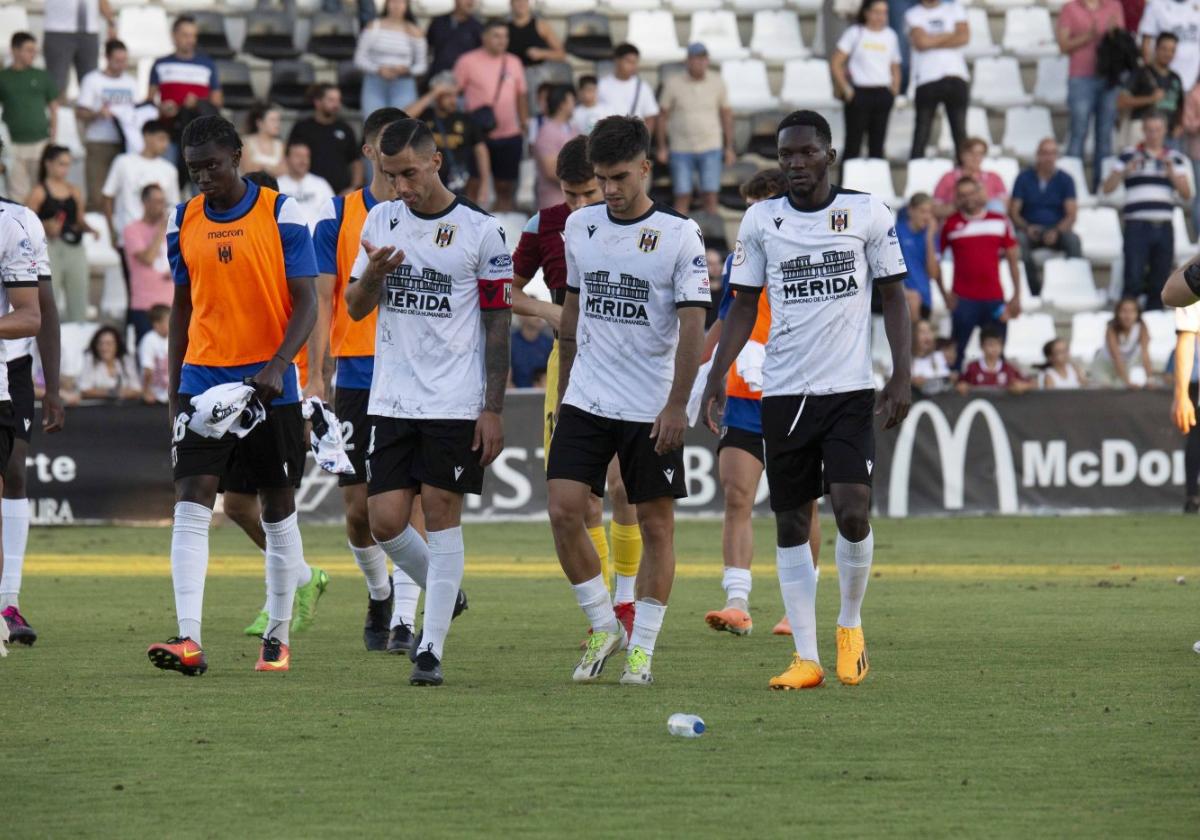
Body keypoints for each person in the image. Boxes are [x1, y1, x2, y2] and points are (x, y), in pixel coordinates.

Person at [701, 110, 912, 691]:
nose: (794, 163)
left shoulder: (867, 212)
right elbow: (741, 304)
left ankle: (850, 626)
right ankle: (806, 657)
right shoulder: (761, 219)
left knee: (851, 510)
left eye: (805, 153)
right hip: (784, 390)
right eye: (785, 155)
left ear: (828, 155)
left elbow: (893, 296)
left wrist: (900, 375)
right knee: (791, 519)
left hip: (847, 389)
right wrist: (716, 374)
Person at [146, 115, 318, 676]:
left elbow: (307, 302)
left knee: (276, 506)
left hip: (270, 385)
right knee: (192, 501)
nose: (203, 178)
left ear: (237, 156)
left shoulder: (280, 211)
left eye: (212, 166)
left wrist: (278, 364)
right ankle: (188, 638)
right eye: (193, 169)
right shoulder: (182, 219)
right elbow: (182, 308)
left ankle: (277, 636)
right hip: (202, 379)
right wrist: (175, 387)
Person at [345, 118, 511, 686]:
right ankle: (447, 589)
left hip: (455, 403)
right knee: (384, 520)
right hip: (391, 398)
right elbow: (356, 308)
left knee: (442, 520)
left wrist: (492, 407)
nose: (400, 188)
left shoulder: (482, 231)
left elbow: (497, 326)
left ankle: (430, 650)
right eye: (390, 176)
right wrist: (372, 274)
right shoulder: (380, 219)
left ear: (436, 162)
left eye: (409, 174)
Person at [548, 115, 708, 688]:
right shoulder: (581, 227)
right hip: (588, 395)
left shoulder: (679, 234)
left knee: (656, 527)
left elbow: (693, 325)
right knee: (564, 510)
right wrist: (565, 393)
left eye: (618, 177)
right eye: (600, 179)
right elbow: (573, 313)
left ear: (645, 167)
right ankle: (601, 624)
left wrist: (677, 404)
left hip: (649, 406)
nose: (609, 190)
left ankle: (642, 648)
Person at [510, 135, 642, 641]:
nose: (582, 205)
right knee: (580, 498)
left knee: (623, 485)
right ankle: (607, 606)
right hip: (569, 363)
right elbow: (506, 289)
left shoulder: (636, 223)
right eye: (572, 195)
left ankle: (627, 600)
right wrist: (555, 311)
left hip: (627, 364)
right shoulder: (542, 225)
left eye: (590, 192)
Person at [310, 107, 431, 653]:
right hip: (356, 373)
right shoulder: (338, 216)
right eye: (386, 148)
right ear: (368, 153)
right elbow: (322, 298)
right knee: (359, 510)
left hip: (415, 373)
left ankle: (406, 617)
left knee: (414, 500)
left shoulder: (432, 217)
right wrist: (315, 372)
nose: (397, 163)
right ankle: (380, 591)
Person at [701, 168, 822, 640]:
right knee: (736, 494)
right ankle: (737, 602)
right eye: (748, 204)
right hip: (746, 392)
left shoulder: (810, 253)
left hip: (796, 387)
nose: (753, 212)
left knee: (801, 503)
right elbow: (728, 319)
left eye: (761, 201)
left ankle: (800, 607)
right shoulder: (740, 259)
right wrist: (702, 370)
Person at [0, 160, 62, 648]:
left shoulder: (18, 222)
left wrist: (54, 385)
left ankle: (9, 599)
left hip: (11, 368)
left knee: (14, 469)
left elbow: (42, 309)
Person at [1103, 112, 1190, 310]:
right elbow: (1107, 188)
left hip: (1164, 225)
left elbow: (1187, 194)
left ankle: (1154, 323)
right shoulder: (1129, 154)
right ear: (1143, 131)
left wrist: (1172, 175)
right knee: (1132, 276)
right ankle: (1128, 322)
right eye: (1149, 130)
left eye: (1157, 130)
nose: (1153, 134)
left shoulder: (1174, 158)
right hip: (1136, 224)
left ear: (1164, 131)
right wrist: (1125, 171)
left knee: (1160, 279)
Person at [938, 177, 1023, 369]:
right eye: (962, 195)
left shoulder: (1000, 221)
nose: (968, 198)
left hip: (994, 298)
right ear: (957, 198)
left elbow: (1012, 261)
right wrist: (944, 294)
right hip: (963, 299)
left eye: (971, 193)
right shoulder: (950, 224)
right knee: (956, 355)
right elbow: (935, 261)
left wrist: (1017, 295)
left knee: (996, 356)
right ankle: (955, 395)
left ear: (980, 192)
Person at [454, 20, 529, 212]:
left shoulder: (514, 61)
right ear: (484, 37)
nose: (502, 40)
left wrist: (523, 123)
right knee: (473, 184)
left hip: (509, 133)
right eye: (496, 35)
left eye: (505, 36)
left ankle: (499, 228)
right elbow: (454, 94)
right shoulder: (467, 61)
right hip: (476, 135)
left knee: (505, 187)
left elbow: (521, 94)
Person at [655, 43, 735, 216]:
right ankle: (677, 240)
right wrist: (662, 147)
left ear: (707, 61)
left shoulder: (717, 82)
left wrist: (729, 148)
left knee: (711, 197)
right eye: (695, 58)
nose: (699, 63)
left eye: (703, 59)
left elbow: (726, 115)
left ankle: (711, 239)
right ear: (688, 60)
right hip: (680, 148)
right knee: (682, 196)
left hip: (711, 145)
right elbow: (662, 116)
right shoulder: (673, 83)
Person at [1058, 0, 1126, 188]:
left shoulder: (1114, 6)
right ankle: (1071, 186)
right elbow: (1063, 45)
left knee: (1105, 134)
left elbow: (1121, 42)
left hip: (1109, 77)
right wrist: (1088, 36)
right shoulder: (1069, 9)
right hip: (1081, 77)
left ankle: (1101, 186)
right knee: (1078, 131)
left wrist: (1113, 34)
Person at [26, 146, 94, 323]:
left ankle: (78, 333)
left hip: (74, 246)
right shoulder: (39, 192)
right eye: (61, 164)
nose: (65, 169)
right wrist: (45, 226)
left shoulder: (74, 190)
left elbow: (79, 219)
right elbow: (25, 223)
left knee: (79, 293)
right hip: (50, 248)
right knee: (51, 295)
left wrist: (91, 229)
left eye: (68, 165)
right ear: (48, 164)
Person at [102, 121, 180, 276]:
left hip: (159, 239)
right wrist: (111, 231)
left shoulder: (169, 170)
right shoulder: (123, 162)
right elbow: (107, 197)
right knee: (134, 287)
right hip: (129, 237)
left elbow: (173, 206)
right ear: (146, 137)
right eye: (161, 138)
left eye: (167, 140)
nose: (165, 144)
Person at [148, 15, 223, 176]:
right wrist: (162, 107)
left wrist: (197, 103)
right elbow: (149, 100)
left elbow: (217, 101)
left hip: (198, 137)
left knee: (201, 187)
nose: (190, 40)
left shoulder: (207, 64)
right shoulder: (160, 64)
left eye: (193, 35)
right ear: (174, 35)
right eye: (185, 35)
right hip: (169, 134)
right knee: (166, 178)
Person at [1010, 138, 1083, 296]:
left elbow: (1071, 214)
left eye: (1052, 153)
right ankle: (1032, 289)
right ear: (1037, 155)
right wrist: (1026, 227)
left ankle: (1073, 288)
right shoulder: (1023, 178)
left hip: (1056, 228)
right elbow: (1014, 212)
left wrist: (1056, 231)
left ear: (1057, 156)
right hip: (1029, 228)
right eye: (1044, 153)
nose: (1048, 157)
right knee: (1018, 241)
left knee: (1073, 240)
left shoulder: (1066, 179)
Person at [831, 0, 902, 161]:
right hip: (860, 93)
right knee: (853, 145)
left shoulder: (890, 35)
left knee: (877, 146)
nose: (880, 17)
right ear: (866, 13)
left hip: (882, 92)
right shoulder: (855, 33)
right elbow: (836, 62)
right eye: (876, 12)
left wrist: (895, 88)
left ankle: (874, 184)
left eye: (884, 12)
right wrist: (846, 89)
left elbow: (895, 65)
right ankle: (846, 184)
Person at [76, 40, 137, 213]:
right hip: (99, 141)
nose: (121, 65)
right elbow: (81, 112)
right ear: (107, 58)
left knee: (122, 192)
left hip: (125, 142)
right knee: (97, 192)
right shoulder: (93, 80)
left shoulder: (131, 82)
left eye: (124, 61)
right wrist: (97, 114)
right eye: (117, 61)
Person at [407, 73, 490, 198]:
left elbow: (481, 151)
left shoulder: (466, 119)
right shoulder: (424, 116)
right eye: (448, 96)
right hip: (428, 182)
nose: (453, 100)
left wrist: (485, 183)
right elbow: (402, 117)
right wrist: (433, 93)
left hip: (458, 184)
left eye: (456, 95)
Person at [905, 0, 970, 160]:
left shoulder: (955, 8)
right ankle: (916, 173)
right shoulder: (913, 13)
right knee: (922, 132)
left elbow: (963, 37)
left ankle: (965, 177)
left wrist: (932, 39)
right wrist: (949, 35)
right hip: (927, 78)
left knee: (959, 132)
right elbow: (921, 42)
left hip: (956, 76)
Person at [0, 33, 59, 204]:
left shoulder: (42, 75)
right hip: (13, 144)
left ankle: (37, 229)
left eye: (34, 50)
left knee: (39, 190)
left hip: (40, 142)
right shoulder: (3, 77)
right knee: (17, 192)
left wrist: (52, 139)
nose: (32, 54)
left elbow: (54, 108)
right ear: (15, 50)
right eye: (28, 50)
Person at [288, 84, 363, 197]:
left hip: (342, 194)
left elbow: (355, 162)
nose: (336, 105)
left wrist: (354, 188)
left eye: (338, 100)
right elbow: (289, 157)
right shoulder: (302, 128)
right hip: (310, 194)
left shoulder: (345, 129)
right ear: (318, 102)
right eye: (331, 100)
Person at [355, 0, 428, 116]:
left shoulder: (415, 31)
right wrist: (378, 69)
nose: (396, 6)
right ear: (387, 4)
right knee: (373, 123)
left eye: (401, 2)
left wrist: (407, 70)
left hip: (403, 82)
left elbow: (422, 65)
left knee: (401, 125)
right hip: (375, 81)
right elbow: (359, 59)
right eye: (393, 2)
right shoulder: (373, 27)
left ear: (407, 5)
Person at [124, 184, 173, 343]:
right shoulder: (132, 230)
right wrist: (160, 231)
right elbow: (148, 258)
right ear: (145, 203)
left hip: (172, 303)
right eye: (157, 201)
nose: (161, 206)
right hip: (145, 306)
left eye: (163, 202)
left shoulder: (174, 230)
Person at [1119, 32, 1185, 144]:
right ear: (1156, 49)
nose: (1168, 53)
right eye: (1164, 49)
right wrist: (1150, 99)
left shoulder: (1176, 77)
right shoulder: (1141, 73)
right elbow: (1121, 101)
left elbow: (1180, 106)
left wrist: (1180, 125)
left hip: (1168, 134)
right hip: (1143, 132)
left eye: (1172, 50)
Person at [42, 0, 116, 94]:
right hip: (58, 29)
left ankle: (87, 108)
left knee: (90, 82)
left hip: (89, 31)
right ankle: (58, 108)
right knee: (57, 83)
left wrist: (111, 22)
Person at [1169, 300, 1200, 511]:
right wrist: (1181, 394)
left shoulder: (1191, 280)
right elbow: (1186, 338)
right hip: (1195, 381)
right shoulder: (1192, 284)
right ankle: (1192, 495)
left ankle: (1192, 496)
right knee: (1195, 439)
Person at [932, 137, 1009, 219]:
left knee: (995, 205)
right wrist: (959, 203)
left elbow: (1005, 207)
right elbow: (936, 210)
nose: (976, 158)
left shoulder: (994, 177)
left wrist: (984, 200)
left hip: (987, 222)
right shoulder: (948, 177)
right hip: (958, 223)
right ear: (962, 155)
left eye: (980, 154)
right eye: (971, 153)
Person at [1138, 0, 1200, 97]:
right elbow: (1146, 43)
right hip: (1164, 81)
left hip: (1194, 80)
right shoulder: (1156, 5)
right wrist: (1152, 78)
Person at [532, 84, 579, 209]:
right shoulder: (547, 131)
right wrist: (581, 183)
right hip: (554, 203)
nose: (575, 104)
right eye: (572, 100)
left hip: (574, 203)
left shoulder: (574, 129)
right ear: (562, 104)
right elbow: (551, 170)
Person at [895, 192, 940, 321]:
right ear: (911, 211)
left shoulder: (931, 236)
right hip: (905, 298)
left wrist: (930, 237)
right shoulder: (897, 232)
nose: (926, 217)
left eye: (929, 212)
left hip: (925, 298)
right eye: (922, 211)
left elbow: (933, 274)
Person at [597, 43, 660, 131]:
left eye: (635, 62)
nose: (633, 66)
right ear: (617, 61)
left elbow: (650, 116)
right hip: (607, 138)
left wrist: (644, 141)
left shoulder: (643, 87)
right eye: (629, 62)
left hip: (633, 140)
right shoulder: (602, 85)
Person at [1092, 297, 1154, 386]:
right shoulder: (1111, 329)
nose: (1128, 315)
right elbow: (1116, 357)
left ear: (1137, 314)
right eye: (1124, 311)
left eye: (1132, 311)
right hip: (1104, 366)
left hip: (1124, 367)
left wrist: (1150, 379)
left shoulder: (1141, 327)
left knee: (1122, 390)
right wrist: (1127, 382)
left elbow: (1145, 355)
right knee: (1106, 389)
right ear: (1118, 313)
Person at [956, 324, 1033, 394]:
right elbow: (959, 384)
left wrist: (1023, 386)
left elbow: (1032, 383)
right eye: (990, 344)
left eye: (998, 344)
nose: (994, 348)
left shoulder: (1008, 369)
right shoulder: (972, 368)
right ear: (982, 346)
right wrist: (962, 386)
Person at [71, 325, 139, 401]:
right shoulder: (90, 360)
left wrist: (117, 393)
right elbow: (84, 390)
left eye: (109, 344)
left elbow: (137, 389)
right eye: (100, 343)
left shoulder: (125, 361)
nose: (104, 348)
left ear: (117, 345)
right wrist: (111, 393)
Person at [277, 143, 337, 227]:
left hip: (316, 238)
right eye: (298, 156)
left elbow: (333, 214)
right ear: (286, 159)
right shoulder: (277, 184)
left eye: (306, 156)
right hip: (285, 239)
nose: (303, 160)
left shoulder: (321, 184)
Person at [427, 0, 483, 78]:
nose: (470, 2)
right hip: (437, 77)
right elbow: (428, 47)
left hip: (464, 80)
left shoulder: (478, 28)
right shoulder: (438, 22)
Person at [507, 0, 566, 67]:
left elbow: (561, 54)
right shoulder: (504, 29)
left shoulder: (541, 26)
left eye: (524, 1)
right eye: (517, 1)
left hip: (536, 72)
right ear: (511, 4)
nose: (521, 3)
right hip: (511, 72)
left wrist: (541, 53)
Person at [912, 318, 955, 396]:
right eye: (922, 332)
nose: (927, 336)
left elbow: (945, 383)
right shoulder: (903, 360)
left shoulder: (938, 357)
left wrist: (952, 379)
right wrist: (911, 382)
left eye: (929, 331)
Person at [242, 104, 286, 179]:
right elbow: (247, 169)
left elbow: (284, 171)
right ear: (260, 123)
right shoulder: (246, 142)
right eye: (273, 120)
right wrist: (272, 169)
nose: (277, 124)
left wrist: (262, 167)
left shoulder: (281, 145)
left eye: (278, 120)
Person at [139, 304, 170, 404]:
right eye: (169, 321)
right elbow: (147, 369)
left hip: (170, 396)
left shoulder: (173, 339)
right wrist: (146, 391)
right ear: (156, 324)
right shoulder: (149, 340)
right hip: (154, 396)